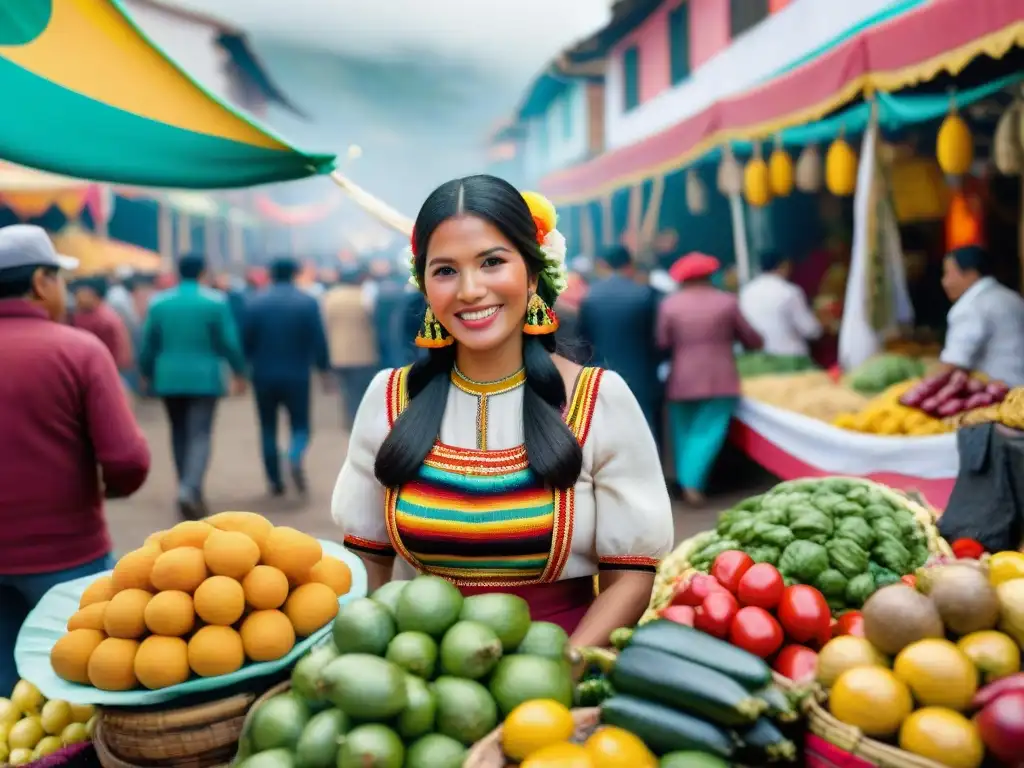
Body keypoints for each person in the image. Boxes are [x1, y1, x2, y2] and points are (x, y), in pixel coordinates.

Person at [331, 176, 673, 645]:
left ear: (533, 274)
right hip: (421, 679)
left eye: (492, 262)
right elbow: (368, 563)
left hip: (555, 679)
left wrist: (561, 672)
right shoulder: (388, 399)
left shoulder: (599, 400)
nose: (470, 290)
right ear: (425, 286)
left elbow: (630, 577)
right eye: (445, 270)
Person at [0, 225, 150, 695]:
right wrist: (113, 488)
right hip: (67, 555)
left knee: (7, 700)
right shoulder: (77, 350)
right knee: (73, 689)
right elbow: (127, 459)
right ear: (42, 282)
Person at [138, 254, 247, 519]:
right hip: (204, 378)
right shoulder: (215, 302)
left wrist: (145, 371)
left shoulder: (159, 303)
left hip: (168, 377)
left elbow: (148, 342)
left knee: (178, 432)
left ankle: (186, 486)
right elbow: (228, 341)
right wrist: (239, 371)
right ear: (203, 271)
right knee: (200, 433)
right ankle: (190, 488)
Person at [657, 253, 763, 506]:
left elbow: (662, 341)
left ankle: (686, 482)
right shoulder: (726, 301)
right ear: (710, 275)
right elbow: (750, 337)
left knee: (683, 433)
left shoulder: (669, 305)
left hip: (681, 377)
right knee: (708, 432)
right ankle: (692, 483)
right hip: (720, 377)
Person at [244, 257, 330, 495]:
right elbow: (318, 340)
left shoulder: (254, 302)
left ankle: (274, 481)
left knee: (267, 427)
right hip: (298, 375)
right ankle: (294, 456)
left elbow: (245, 340)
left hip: (263, 375)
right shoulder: (307, 302)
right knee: (301, 425)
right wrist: (323, 369)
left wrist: (244, 369)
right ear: (295, 273)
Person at [578, 245, 661, 433]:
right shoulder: (645, 294)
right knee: (643, 432)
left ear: (605, 265)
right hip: (642, 378)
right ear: (630, 264)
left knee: (609, 432)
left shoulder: (591, 296)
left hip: (603, 376)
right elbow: (656, 340)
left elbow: (583, 340)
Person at [939, 245, 1024, 387]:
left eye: (948, 273)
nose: (944, 282)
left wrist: (913, 391)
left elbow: (953, 363)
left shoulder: (971, 306)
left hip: (1001, 396)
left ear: (971, 273)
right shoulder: (1012, 298)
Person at [322, 266, 380, 429]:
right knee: (362, 389)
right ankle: (360, 419)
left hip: (338, 353)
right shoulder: (365, 296)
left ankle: (350, 419)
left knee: (345, 389)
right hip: (364, 352)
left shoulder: (329, 297)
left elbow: (324, 324)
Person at [739, 250, 823, 358]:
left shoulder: (747, 292)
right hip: (790, 358)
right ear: (783, 266)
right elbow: (811, 331)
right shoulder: (789, 292)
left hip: (758, 358)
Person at [70, 276, 133, 373]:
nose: (77, 297)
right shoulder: (90, 313)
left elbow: (114, 355)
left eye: (82, 293)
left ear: (95, 295)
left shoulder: (102, 319)